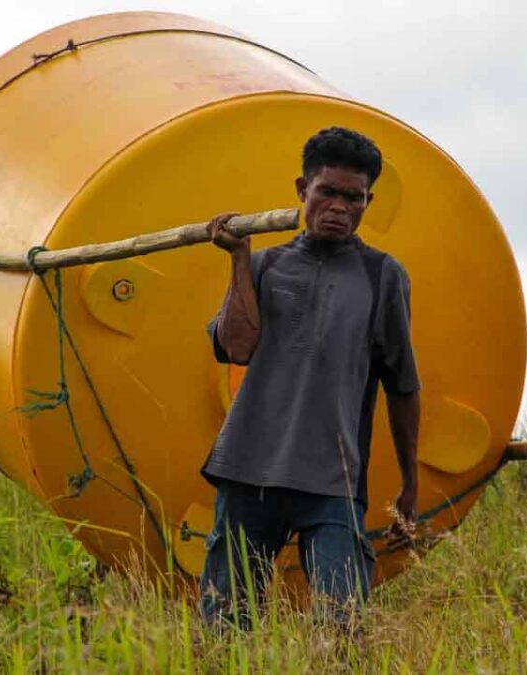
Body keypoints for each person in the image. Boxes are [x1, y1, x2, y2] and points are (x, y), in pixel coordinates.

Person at [198, 127, 420, 626]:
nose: (339, 207)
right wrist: (237, 259)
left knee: (340, 626)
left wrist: (410, 481)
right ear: (303, 190)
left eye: (353, 197)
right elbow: (237, 346)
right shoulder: (263, 265)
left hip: (333, 480)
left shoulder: (383, 276)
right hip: (247, 469)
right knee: (225, 626)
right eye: (327, 193)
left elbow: (402, 383)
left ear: (368, 201)